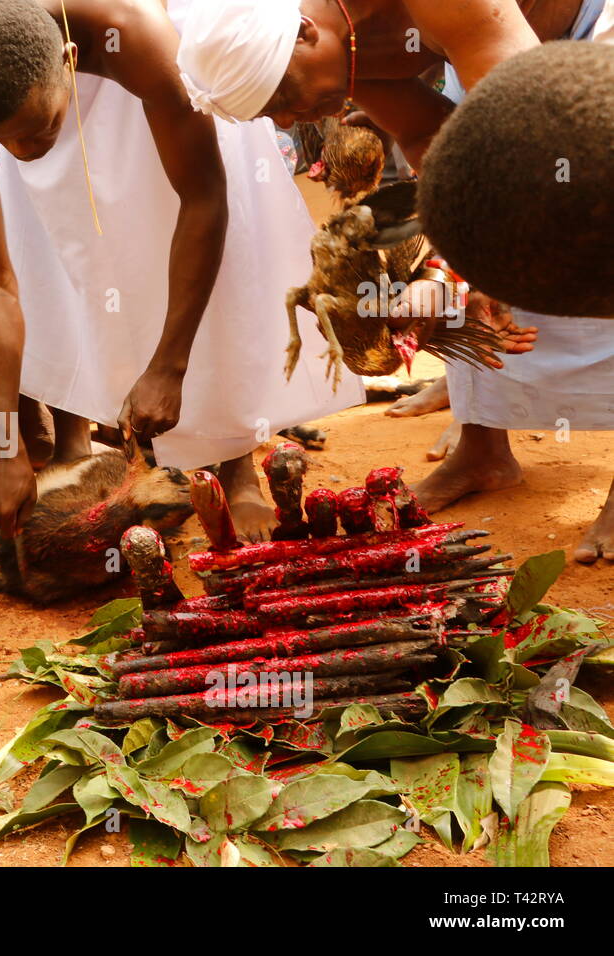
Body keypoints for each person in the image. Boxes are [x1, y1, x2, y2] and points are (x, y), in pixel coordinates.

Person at [177, 0, 614, 563]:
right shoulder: (347, 56)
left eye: (285, 97)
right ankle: (483, 452)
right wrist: (458, 264)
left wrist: (454, 268)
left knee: (590, 215)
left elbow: (531, 140)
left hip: (585, 36)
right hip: (496, 57)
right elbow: (428, 133)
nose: (289, 121)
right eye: (273, 114)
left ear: (307, 32)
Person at [0, 0, 361, 541]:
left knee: (180, 228)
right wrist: (6, 446)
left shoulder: (141, 36)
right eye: (3, 141)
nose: (22, 152)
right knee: (71, 254)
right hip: (36, 76)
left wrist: (168, 368)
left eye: (37, 131)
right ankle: (95, 438)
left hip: (145, 74)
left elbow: (204, 198)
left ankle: (236, 462)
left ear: (69, 59)